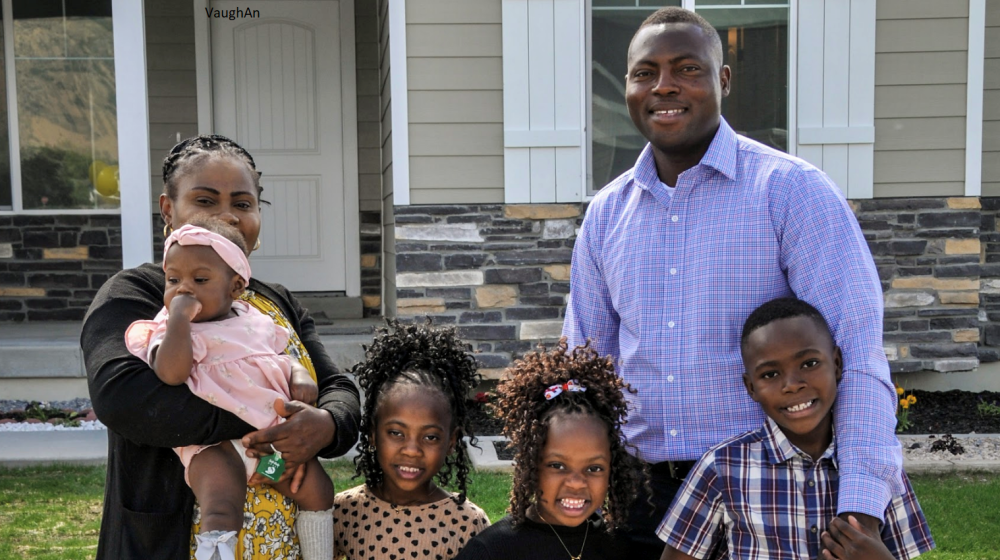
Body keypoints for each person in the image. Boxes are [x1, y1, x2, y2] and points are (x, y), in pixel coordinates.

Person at [563, 6, 901, 556]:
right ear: (627, 85)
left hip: (766, 501)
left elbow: (857, 355)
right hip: (639, 505)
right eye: (645, 72)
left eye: (687, 69)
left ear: (722, 79)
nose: (664, 86)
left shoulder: (792, 192)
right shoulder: (605, 214)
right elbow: (583, 369)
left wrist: (859, 511)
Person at [83, 134, 361, 560]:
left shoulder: (276, 302)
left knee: (315, 491)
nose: (229, 217)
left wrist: (324, 424)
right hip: (169, 542)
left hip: (282, 540)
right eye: (207, 201)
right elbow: (125, 399)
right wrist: (263, 419)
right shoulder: (139, 294)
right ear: (168, 210)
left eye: (244, 204)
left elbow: (335, 387)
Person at [658, 298, 934, 560]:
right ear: (751, 387)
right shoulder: (721, 467)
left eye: (809, 363)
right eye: (770, 374)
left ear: (837, 364)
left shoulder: (875, 467)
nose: (792, 384)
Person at [124, 220, 334, 560]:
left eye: (200, 280)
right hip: (214, 449)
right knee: (222, 508)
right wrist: (179, 319)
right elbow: (171, 373)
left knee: (315, 488)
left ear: (235, 287)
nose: (183, 290)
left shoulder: (256, 320)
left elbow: (279, 353)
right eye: (173, 280)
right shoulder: (168, 329)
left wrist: (299, 375)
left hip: (269, 451)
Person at [455, 339, 645, 560]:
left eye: (594, 468)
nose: (576, 482)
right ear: (532, 464)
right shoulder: (493, 551)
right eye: (558, 465)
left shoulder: (617, 547)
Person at [334, 320, 490, 560]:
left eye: (430, 437)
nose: (411, 450)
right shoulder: (344, 511)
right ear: (373, 435)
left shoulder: (468, 523)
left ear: (451, 442)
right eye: (396, 433)